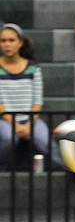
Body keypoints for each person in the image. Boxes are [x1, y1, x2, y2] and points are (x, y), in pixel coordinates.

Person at [0, 23, 59, 172]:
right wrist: (16, 125)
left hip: (31, 118)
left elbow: (37, 100)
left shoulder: (33, 67)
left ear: (20, 42)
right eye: (3, 40)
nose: (7, 44)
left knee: (45, 142)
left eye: (11, 40)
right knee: (8, 138)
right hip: (5, 119)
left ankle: (68, 170)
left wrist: (28, 124)